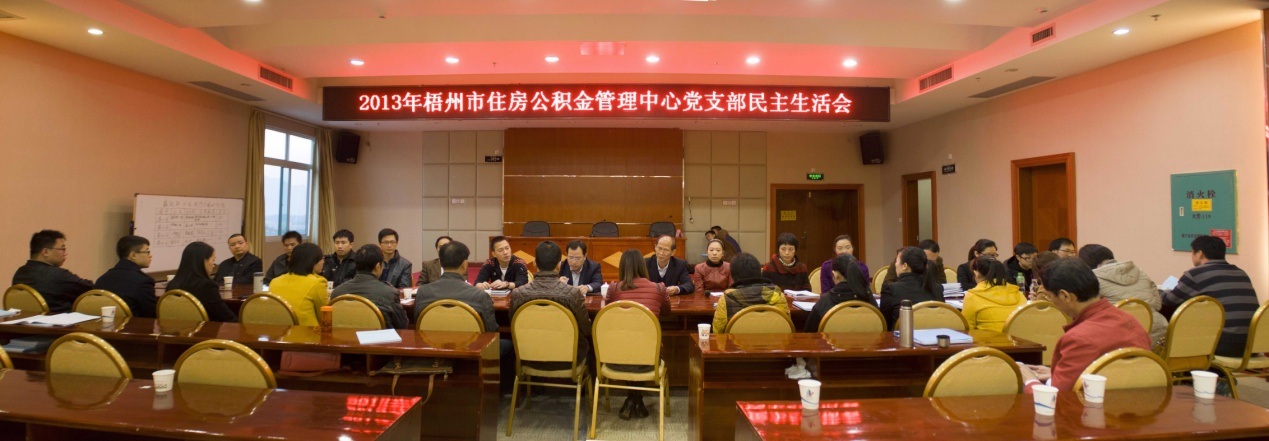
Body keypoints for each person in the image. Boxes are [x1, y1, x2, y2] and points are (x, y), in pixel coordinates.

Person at [1019, 259, 1150, 393]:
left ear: (1065, 296)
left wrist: (1029, 380)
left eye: (1049, 296)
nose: (1050, 301)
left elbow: (1058, 399)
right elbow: (1119, 375)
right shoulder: (1130, 320)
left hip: (1094, 404)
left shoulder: (1079, 338)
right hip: (1138, 398)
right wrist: (1057, 374)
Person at [414, 240, 513, 393]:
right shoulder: (479, 296)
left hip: (433, 346)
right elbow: (492, 332)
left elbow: (417, 325)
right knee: (509, 345)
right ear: (465, 264)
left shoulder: (423, 292)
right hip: (472, 349)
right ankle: (501, 391)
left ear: (441, 262)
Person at [1161, 236, 1260, 357]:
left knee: (1178, 336)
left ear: (1200, 254)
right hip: (1253, 345)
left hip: (1224, 344)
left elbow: (1168, 300)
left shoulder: (1196, 274)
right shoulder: (1241, 273)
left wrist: (1159, 292)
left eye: (1192, 252)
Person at [605, 249, 670, 420]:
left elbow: (606, 314)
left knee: (629, 345)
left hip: (616, 358)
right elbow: (667, 312)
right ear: (643, 266)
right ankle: (636, 400)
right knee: (641, 348)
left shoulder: (613, 289)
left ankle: (632, 400)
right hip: (649, 360)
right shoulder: (659, 288)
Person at [509, 241, 591, 369]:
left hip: (529, 356)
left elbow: (513, 325)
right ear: (559, 265)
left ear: (534, 263)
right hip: (568, 358)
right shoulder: (573, 294)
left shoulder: (517, 294)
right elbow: (586, 329)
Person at [1079, 244, 1167, 347]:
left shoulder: (1092, 279)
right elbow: (1157, 305)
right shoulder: (1140, 272)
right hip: (1157, 334)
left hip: (1119, 339)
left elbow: (1086, 313)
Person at [12, 230, 93, 314]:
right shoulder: (58, 275)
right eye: (62, 249)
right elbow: (92, 290)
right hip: (59, 321)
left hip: (25, 321)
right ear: (46, 252)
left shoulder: (20, 273)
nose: (65, 253)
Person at [330, 244, 409, 329]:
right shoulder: (389, 293)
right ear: (378, 266)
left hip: (345, 337)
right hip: (378, 337)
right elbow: (402, 325)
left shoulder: (337, 293)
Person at [711, 253, 787, 333]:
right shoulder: (778, 295)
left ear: (733, 275)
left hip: (736, 341)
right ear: (759, 271)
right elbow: (785, 327)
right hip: (774, 340)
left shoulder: (727, 299)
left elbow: (717, 332)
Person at [166, 241, 237, 322]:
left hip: (175, 328)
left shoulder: (172, 284)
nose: (213, 265)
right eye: (213, 260)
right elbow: (226, 316)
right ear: (203, 261)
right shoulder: (207, 286)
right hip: (202, 329)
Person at [804, 253, 874, 332]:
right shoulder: (869, 297)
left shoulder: (825, 301)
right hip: (866, 340)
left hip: (830, 340)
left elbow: (809, 333)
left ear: (835, 274)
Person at [879, 247, 944, 330]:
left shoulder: (890, 289)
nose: (895, 264)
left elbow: (884, 324)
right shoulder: (938, 288)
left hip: (902, 336)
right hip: (932, 335)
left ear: (905, 266)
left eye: (897, 261)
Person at [94, 235, 156, 318]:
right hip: (133, 325)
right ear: (133, 255)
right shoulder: (143, 282)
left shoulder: (102, 279)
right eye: (147, 251)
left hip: (105, 325)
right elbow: (151, 315)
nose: (150, 255)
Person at [269, 243, 329, 327]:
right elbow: (324, 316)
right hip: (307, 332)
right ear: (313, 261)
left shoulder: (274, 282)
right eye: (322, 258)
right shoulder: (317, 282)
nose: (323, 262)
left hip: (279, 332)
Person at [962, 257, 1025, 332]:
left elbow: (967, 327)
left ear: (977, 273)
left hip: (990, 338)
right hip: (1020, 338)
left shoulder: (972, 295)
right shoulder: (1017, 293)